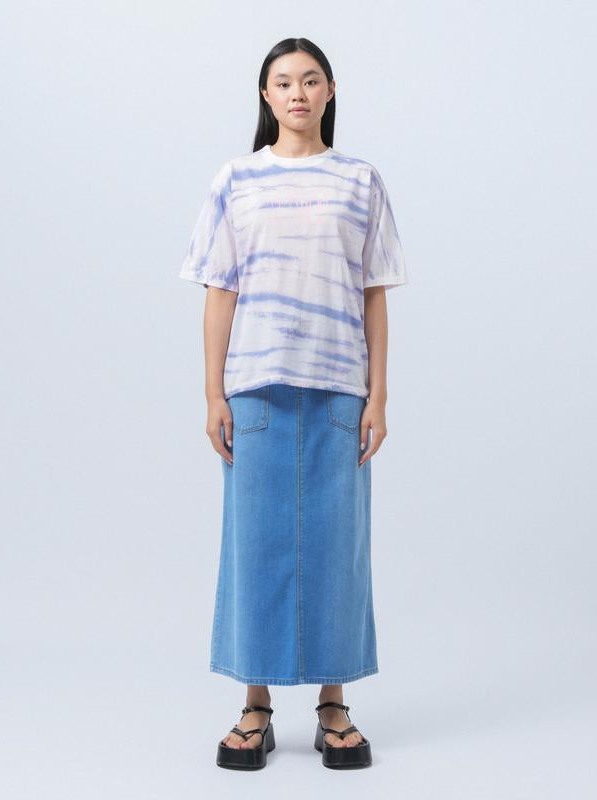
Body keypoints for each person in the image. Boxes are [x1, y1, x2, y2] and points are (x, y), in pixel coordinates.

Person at [178, 37, 407, 770]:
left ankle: (334, 705)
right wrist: (213, 392)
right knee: (256, 547)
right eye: (283, 82)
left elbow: (374, 293)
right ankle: (255, 704)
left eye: (310, 80)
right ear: (266, 95)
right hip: (256, 388)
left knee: (338, 549)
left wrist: (378, 395)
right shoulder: (237, 178)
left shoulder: (360, 180)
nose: (297, 93)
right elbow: (220, 290)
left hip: (339, 387)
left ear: (330, 91)